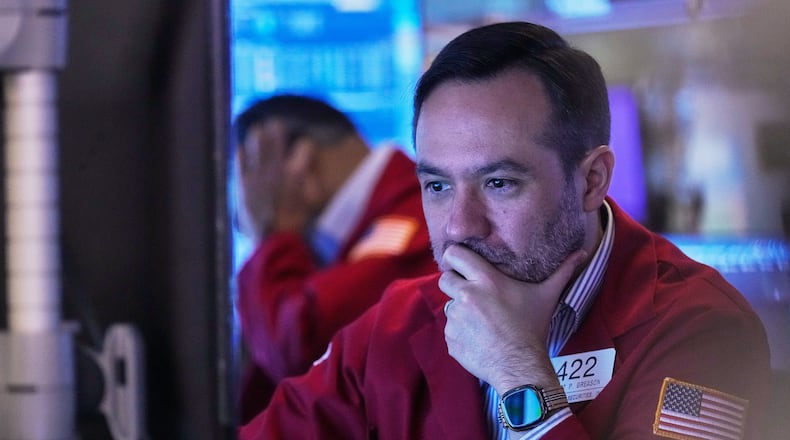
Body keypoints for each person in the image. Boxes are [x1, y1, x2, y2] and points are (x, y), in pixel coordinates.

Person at [239, 22, 772, 439]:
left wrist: (518, 371)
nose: (460, 228)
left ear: (592, 181)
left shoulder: (701, 328)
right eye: (438, 187)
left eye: (498, 183)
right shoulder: (398, 324)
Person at [232, 94, 436, 422]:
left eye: (248, 188)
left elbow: (299, 355)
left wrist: (271, 236)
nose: (241, 220)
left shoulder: (411, 225)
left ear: (300, 160)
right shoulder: (359, 229)